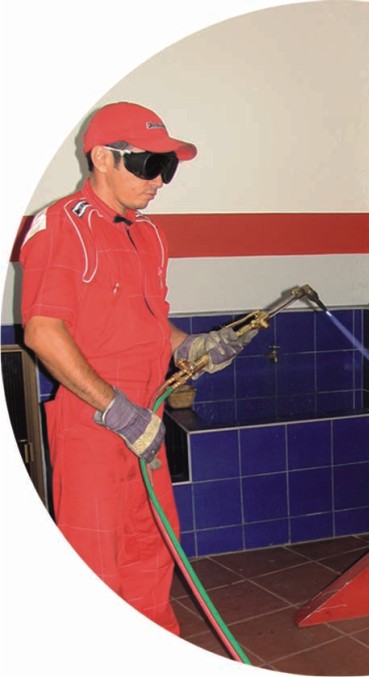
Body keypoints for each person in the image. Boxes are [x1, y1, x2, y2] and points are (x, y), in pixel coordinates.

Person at [19, 101, 254, 635]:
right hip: (93, 425)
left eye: (167, 167)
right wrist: (116, 410)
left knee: (152, 552)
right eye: (150, 164)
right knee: (96, 569)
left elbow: (149, 324)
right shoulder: (61, 226)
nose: (159, 181)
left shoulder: (147, 235)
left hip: (146, 422)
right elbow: (43, 332)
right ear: (102, 158)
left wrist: (191, 348)